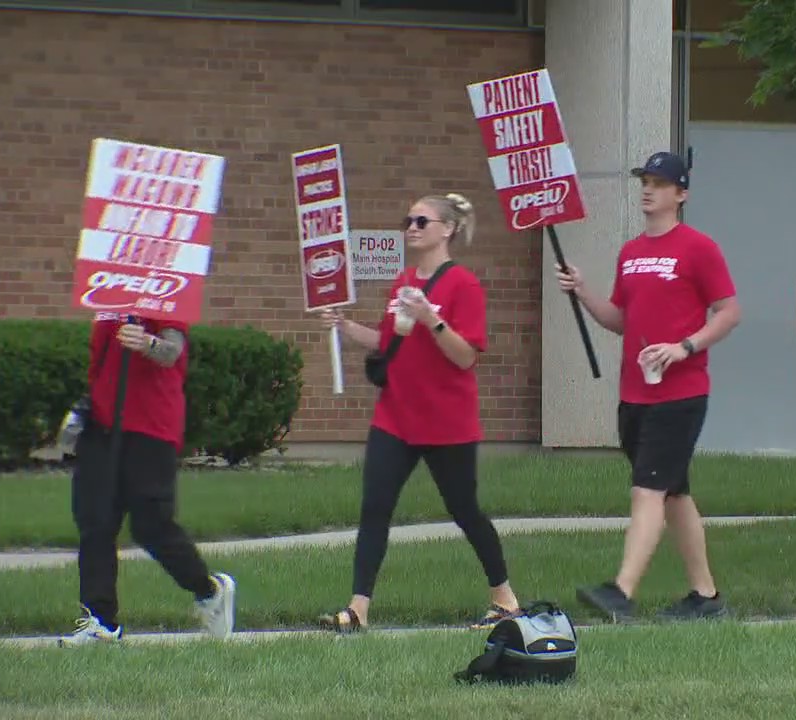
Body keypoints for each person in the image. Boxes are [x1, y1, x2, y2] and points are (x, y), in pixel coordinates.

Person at [316, 192, 522, 632]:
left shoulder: (462, 284)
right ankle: (358, 610)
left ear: (446, 229)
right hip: (395, 417)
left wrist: (432, 319)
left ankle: (504, 597)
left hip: (447, 422)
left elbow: (466, 356)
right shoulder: (403, 281)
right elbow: (389, 342)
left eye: (421, 221)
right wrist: (345, 326)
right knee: (375, 507)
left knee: (464, 509)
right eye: (407, 220)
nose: (411, 227)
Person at [555, 151, 741, 622]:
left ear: (681, 194)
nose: (648, 189)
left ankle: (622, 590)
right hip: (634, 394)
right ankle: (705, 597)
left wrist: (685, 346)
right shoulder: (631, 252)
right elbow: (621, 319)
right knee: (674, 494)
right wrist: (582, 291)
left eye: (659, 182)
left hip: (679, 395)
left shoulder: (698, 248)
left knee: (647, 491)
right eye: (645, 180)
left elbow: (729, 312)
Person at [60, 313, 236, 646]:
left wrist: (148, 343)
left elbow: (172, 351)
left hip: (151, 426)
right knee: (95, 520)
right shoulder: (111, 294)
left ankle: (209, 590)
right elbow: (100, 360)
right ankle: (100, 622)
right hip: (102, 426)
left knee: (151, 525)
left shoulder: (164, 295)